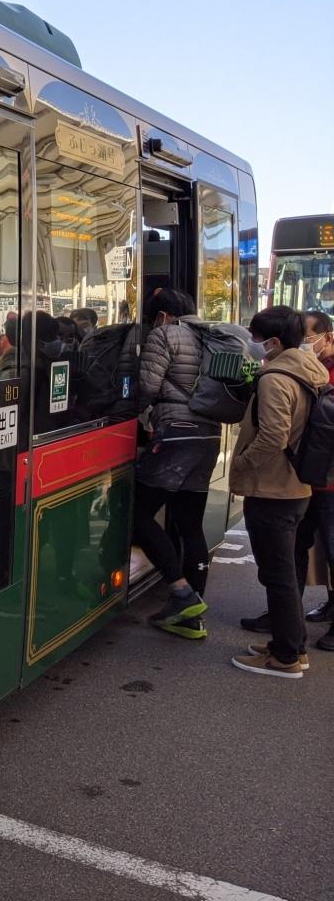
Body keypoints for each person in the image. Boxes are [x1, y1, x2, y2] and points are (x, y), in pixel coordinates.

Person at [229, 305, 329, 678]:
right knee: (284, 571)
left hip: (273, 487)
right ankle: (292, 646)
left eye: (255, 337)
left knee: (279, 575)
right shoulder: (310, 369)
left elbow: (273, 435)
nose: (252, 343)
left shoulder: (275, 378)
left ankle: (285, 657)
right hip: (297, 485)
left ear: (272, 341)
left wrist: (242, 463)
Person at [132, 289, 221, 639]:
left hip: (176, 435)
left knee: (137, 515)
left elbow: (147, 386)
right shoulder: (213, 335)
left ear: (162, 315)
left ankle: (182, 593)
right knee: (190, 525)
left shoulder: (165, 334)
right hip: (209, 436)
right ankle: (192, 616)